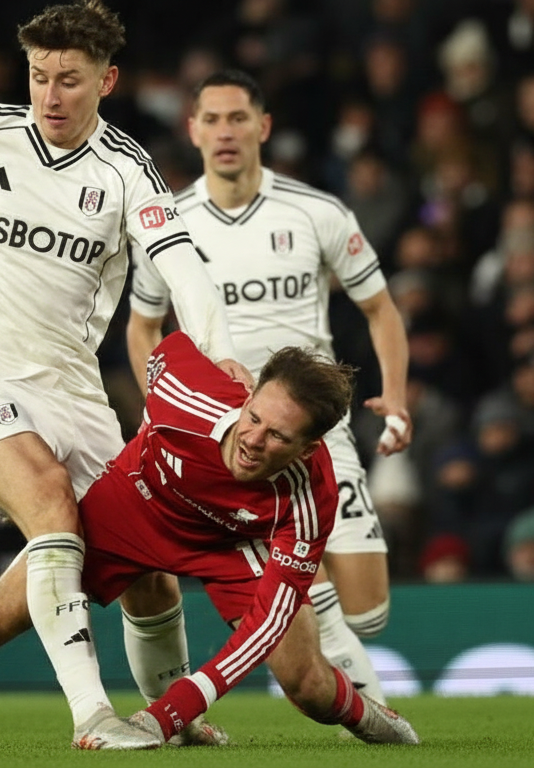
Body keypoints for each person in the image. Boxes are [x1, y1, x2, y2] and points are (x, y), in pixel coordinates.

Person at [0, 0, 247, 748]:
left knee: (150, 571)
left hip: (74, 394)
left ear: (107, 81)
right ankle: (90, 715)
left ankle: (168, 716)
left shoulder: (128, 171)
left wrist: (219, 351)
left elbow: (182, 270)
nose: (50, 96)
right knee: (47, 505)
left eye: (69, 80)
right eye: (39, 76)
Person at [0, 334, 419, 750]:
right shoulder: (186, 393)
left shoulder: (312, 495)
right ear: (248, 395)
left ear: (310, 449)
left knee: (308, 684)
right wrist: (213, 357)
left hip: (234, 546)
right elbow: (165, 349)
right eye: (254, 416)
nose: (255, 440)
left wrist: (167, 713)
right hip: (135, 507)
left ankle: (376, 720)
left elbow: (259, 630)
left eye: (279, 437)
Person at [126, 70, 411, 706]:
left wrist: (395, 394)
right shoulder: (168, 225)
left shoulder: (317, 212)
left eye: (238, 118)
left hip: (317, 428)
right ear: (192, 129)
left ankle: (320, 615)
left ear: (263, 127)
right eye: (213, 120)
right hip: (234, 434)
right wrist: (166, 402)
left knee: (370, 614)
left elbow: (381, 309)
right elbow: (143, 326)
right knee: (301, 587)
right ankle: (342, 677)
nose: (225, 132)